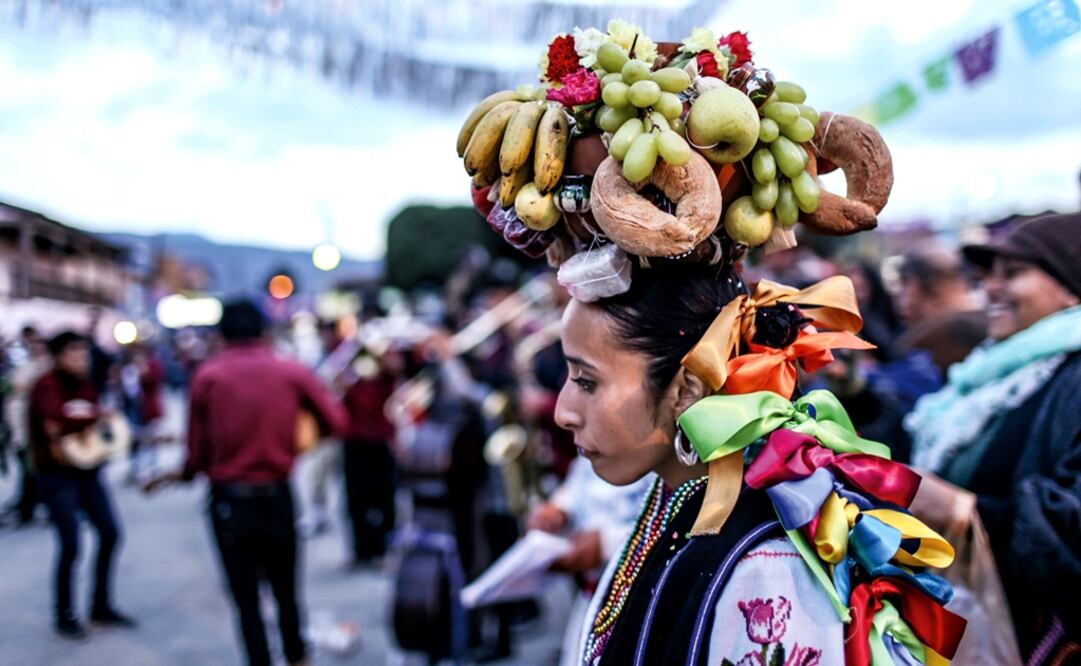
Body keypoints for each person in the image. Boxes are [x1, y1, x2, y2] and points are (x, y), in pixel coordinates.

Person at [906, 212, 1081, 663]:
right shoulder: (996, 370)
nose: (991, 288)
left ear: (1071, 287)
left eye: (1015, 273)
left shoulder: (1074, 377)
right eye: (990, 276)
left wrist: (963, 513)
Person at [144, 300, 346, 666]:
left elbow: (196, 455)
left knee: (246, 599)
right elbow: (336, 422)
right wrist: (293, 439)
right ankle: (298, 657)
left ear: (221, 336)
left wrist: (187, 472)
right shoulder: (291, 371)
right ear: (266, 332)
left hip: (228, 502)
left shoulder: (208, 375)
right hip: (278, 495)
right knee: (287, 591)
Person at [29, 331, 133, 639]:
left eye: (84, 354)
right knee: (71, 544)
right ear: (58, 357)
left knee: (111, 534)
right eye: (75, 354)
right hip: (57, 476)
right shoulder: (46, 386)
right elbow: (57, 420)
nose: (81, 360)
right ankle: (65, 614)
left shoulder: (85, 385)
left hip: (88, 472)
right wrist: (93, 415)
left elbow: (90, 422)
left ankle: (100, 605)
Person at [340, 350, 399, 564]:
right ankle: (362, 549)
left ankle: (384, 547)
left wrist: (380, 353)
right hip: (355, 441)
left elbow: (395, 371)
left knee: (384, 497)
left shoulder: (385, 372)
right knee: (356, 499)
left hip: (379, 441)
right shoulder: (351, 368)